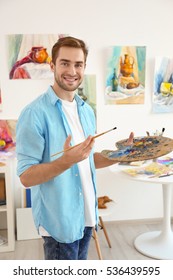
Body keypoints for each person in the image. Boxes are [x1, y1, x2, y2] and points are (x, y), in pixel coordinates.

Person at [16, 36, 134, 260]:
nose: (72, 71)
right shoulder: (34, 114)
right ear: (52, 66)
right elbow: (26, 177)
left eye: (78, 64)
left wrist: (122, 155)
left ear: (84, 67)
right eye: (65, 63)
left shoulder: (86, 111)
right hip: (59, 224)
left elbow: (86, 160)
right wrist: (65, 161)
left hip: (86, 216)